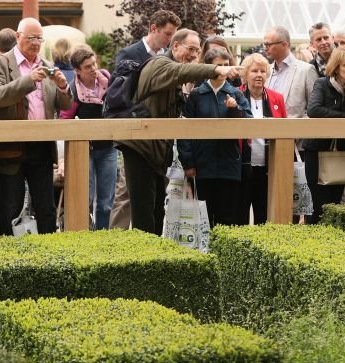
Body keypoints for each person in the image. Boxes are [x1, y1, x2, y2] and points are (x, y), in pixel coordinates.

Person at [117, 28, 242, 234]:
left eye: (197, 50)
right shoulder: (160, 64)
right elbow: (180, 72)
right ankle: (143, 263)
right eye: (191, 49)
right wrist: (214, 70)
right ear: (175, 46)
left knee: (157, 211)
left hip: (156, 152)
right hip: (140, 148)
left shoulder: (173, 70)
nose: (194, 55)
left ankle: (156, 260)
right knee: (144, 215)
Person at [0, 17, 71, 235]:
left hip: (41, 146)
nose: (35, 43)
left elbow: (64, 105)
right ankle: (6, 260)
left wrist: (63, 88)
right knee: (9, 208)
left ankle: (48, 259)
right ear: (17, 37)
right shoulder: (0, 64)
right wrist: (28, 80)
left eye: (39, 39)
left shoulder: (48, 66)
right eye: (31, 38)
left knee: (46, 208)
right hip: (11, 146)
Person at [110, 8, 181, 229]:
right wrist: (138, 114)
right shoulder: (130, 54)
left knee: (158, 203)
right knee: (137, 203)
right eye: (168, 34)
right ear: (153, 29)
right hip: (136, 140)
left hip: (160, 143)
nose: (170, 40)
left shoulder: (167, 58)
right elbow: (118, 94)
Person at [177, 48, 251, 227]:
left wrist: (236, 110)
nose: (224, 69)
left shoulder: (236, 93)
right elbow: (184, 131)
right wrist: (188, 163)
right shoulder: (196, 95)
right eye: (219, 65)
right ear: (209, 67)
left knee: (227, 218)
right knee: (203, 218)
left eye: (227, 65)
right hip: (203, 166)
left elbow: (248, 124)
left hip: (229, 165)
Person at [303, 46, 345, 223]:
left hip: (341, 152)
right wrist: (343, 117)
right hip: (317, 150)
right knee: (320, 204)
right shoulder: (322, 84)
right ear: (336, 66)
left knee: (335, 203)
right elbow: (314, 110)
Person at [60, 44, 117, 229]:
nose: (93, 69)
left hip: (108, 148)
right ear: (77, 70)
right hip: (86, 150)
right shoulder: (73, 91)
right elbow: (64, 119)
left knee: (106, 202)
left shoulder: (107, 80)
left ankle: (102, 237)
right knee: (86, 198)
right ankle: (86, 237)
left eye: (94, 64)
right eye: (88, 67)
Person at [237, 52, 287, 224]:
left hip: (268, 168)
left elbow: (283, 130)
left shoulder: (276, 98)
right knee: (239, 214)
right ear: (245, 74)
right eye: (254, 71)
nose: (259, 75)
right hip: (241, 167)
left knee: (263, 216)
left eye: (263, 71)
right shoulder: (235, 96)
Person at [264, 25, 318, 118]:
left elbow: (314, 109)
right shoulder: (265, 71)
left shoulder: (306, 70)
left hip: (295, 130)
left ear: (284, 44)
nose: (265, 48)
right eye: (264, 44)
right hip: (267, 130)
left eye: (268, 44)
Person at [114, 9, 182, 67]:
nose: (171, 39)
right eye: (168, 34)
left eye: (173, 35)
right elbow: (119, 82)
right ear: (153, 28)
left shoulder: (171, 56)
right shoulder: (128, 54)